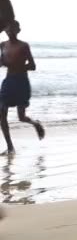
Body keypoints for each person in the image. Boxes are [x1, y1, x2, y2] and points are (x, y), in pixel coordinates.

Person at [0, 21, 45, 155]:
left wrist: (14, 65)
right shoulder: (2, 45)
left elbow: (32, 65)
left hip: (21, 82)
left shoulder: (24, 46)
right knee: (1, 114)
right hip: (8, 82)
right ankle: (10, 147)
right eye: (8, 29)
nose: (10, 32)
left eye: (13, 29)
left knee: (21, 117)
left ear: (18, 30)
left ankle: (36, 123)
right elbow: (2, 61)